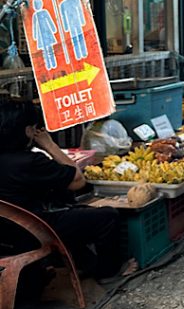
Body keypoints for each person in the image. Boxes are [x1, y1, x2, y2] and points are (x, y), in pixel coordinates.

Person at [0, 100, 136, 280]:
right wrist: (50, 145)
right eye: (34, 128)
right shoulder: (29, 161)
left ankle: (83, 264)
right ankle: (109, 273)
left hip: (6, 232)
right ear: (27, 131)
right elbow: (78, 181)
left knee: (70, 210)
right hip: (31, 231)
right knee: (107, 217)